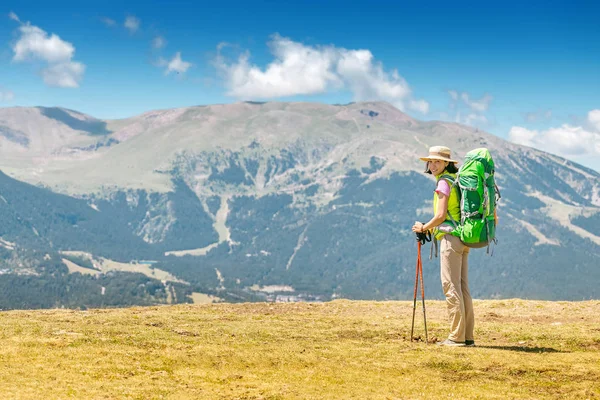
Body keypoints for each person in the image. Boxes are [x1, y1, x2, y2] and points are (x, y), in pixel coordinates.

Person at [411, 146, 475, 347]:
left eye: (437, 161)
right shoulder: (455, 182)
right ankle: (467, 336)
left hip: (450, 240)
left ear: (447, 163)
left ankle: (456, 338)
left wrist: (423, 228)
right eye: (430, 161)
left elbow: (440, 216)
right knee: (463, 287)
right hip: (462, 238)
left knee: (450, 286)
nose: (432, 165)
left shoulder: (443, 184)